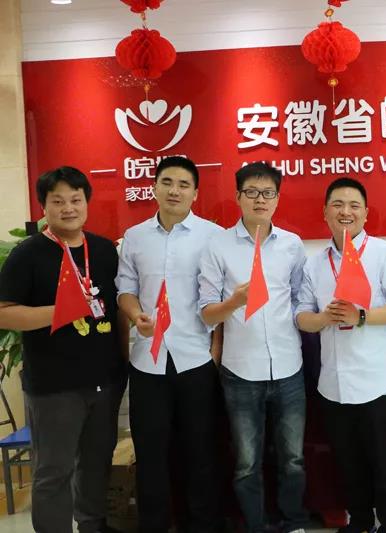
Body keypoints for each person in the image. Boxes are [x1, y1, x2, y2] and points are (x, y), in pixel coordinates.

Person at [0, 167, 126, 533]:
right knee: (54, 470)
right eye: (58, 201)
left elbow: (116, 309)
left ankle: (92, 526)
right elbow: (4, 313)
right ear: (44, 207)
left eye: (75, 199)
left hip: (104, 380)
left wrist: (122, 362)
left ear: (87, 202)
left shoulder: (103, 250)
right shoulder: (28, 254)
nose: (68, 208)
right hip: (54, 386)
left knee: (96, 463)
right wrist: (61, 312)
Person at [296, 177, 386, 533]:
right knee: (349, 464)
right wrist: (324, 318)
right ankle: (360, 523)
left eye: (353, 206)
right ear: (325, 213)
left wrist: (361, 316)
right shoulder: (314, 264)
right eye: (337, 205)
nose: (345, 212)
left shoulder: (385, 254)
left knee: (385, 465)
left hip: (378, 382)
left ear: (365, 213)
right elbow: (301, 315)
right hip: (334, 384)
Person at [199, 162, 309, 533]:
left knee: (293, 458)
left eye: (267, 193)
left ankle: (293, 522)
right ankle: (256, 525)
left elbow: (300, 300)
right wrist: (234, 301)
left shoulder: (292, 245)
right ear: (238, 196)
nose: (260, 199)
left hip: (289, 366)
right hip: (241, 371)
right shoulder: (217, 246)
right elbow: (206, 313)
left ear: (277, 198)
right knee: (247, 462)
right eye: (251, 192)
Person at [116, 156, 224, 533]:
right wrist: (136, 315)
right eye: (167, 182)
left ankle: (202, 526)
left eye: (183, 184)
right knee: (150, 455)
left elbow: (220, 300)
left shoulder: (213, 236)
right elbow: (125, 289)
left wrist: (215, 355)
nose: (174, 190)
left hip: (196, 359)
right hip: (148, 361)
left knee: (200, 453)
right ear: (154, 188)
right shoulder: (134, 236)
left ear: (195, 193)